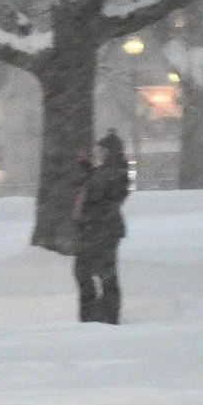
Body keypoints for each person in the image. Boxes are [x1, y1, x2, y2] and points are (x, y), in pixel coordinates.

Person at [73, 131, 130, 324]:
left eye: (102, 150)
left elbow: (104, 192)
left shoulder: (117, 171)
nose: (99, 154)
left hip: (104, 230)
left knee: (104, 274)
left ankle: (105, 315)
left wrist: (89, 172)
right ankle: (96, 313)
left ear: (111, 152)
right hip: (95, 229)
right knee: (87, 271)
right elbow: (98, 182)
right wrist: (86, 166)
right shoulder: (107, 170)